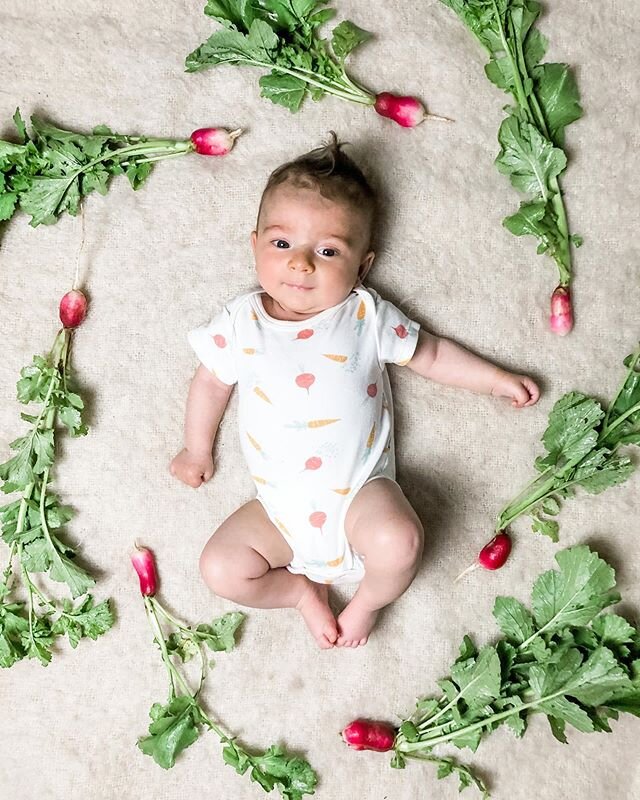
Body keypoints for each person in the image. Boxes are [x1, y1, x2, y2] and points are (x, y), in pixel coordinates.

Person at [170, 134, 540, 650]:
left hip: (359, 494)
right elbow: (210, 380)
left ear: (362, 266)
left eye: (327, 251)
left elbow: (430, 354)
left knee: (402, 540)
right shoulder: (239, 322)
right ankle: (300, 594)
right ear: (253, 243)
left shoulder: (363, 314)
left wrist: (495, 379)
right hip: (279, 511)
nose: (301, 264)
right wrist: (195, 448)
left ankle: (367, 602)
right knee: (221, 569)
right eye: (281, 245)